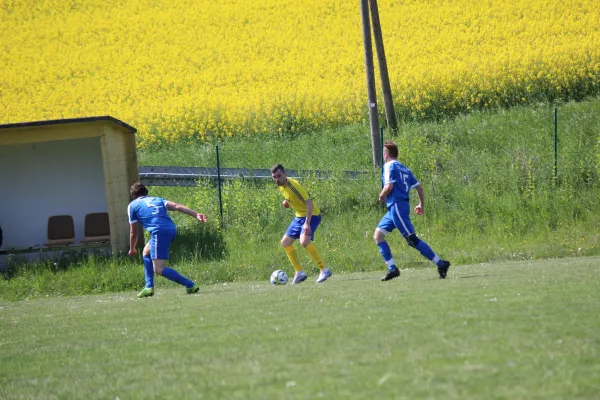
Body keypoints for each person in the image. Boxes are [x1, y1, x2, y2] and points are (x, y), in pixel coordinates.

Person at [374, 141, 451, 281]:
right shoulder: (405, 168)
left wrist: (381, 195)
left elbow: (389, 186)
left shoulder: (388, 165)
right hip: (395, 207)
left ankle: (441, 263)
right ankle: (392, 269)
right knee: (378, 236)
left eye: (383, 153)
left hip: (397, 206)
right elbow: (419, 188)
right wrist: (421, 204)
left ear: (386, 154)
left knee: (412, 239)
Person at [127, 181, 208, 298]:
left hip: (158, 232)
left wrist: (132, 248)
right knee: (146, 252)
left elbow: (133, 232)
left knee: (158, 269)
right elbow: (176, 206)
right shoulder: (157, 199)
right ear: (146, 193)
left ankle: (190, 285)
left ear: (133, 196)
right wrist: (196, 214)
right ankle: (149, 287)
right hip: (171, 229)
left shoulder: (132, 206)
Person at [271, 164, 332, 284]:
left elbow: (309, 203)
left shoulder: (294, 186)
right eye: (274, 177)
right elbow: (292, 197)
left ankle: (324, 269)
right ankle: (299, 272)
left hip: (312, 215)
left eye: (279, 176)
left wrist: (307, 224)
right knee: (285, 243)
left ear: (285, 175)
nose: (277, 179)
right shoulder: (281, 186)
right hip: (299, 216)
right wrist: (287, 202)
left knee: (304, 241)